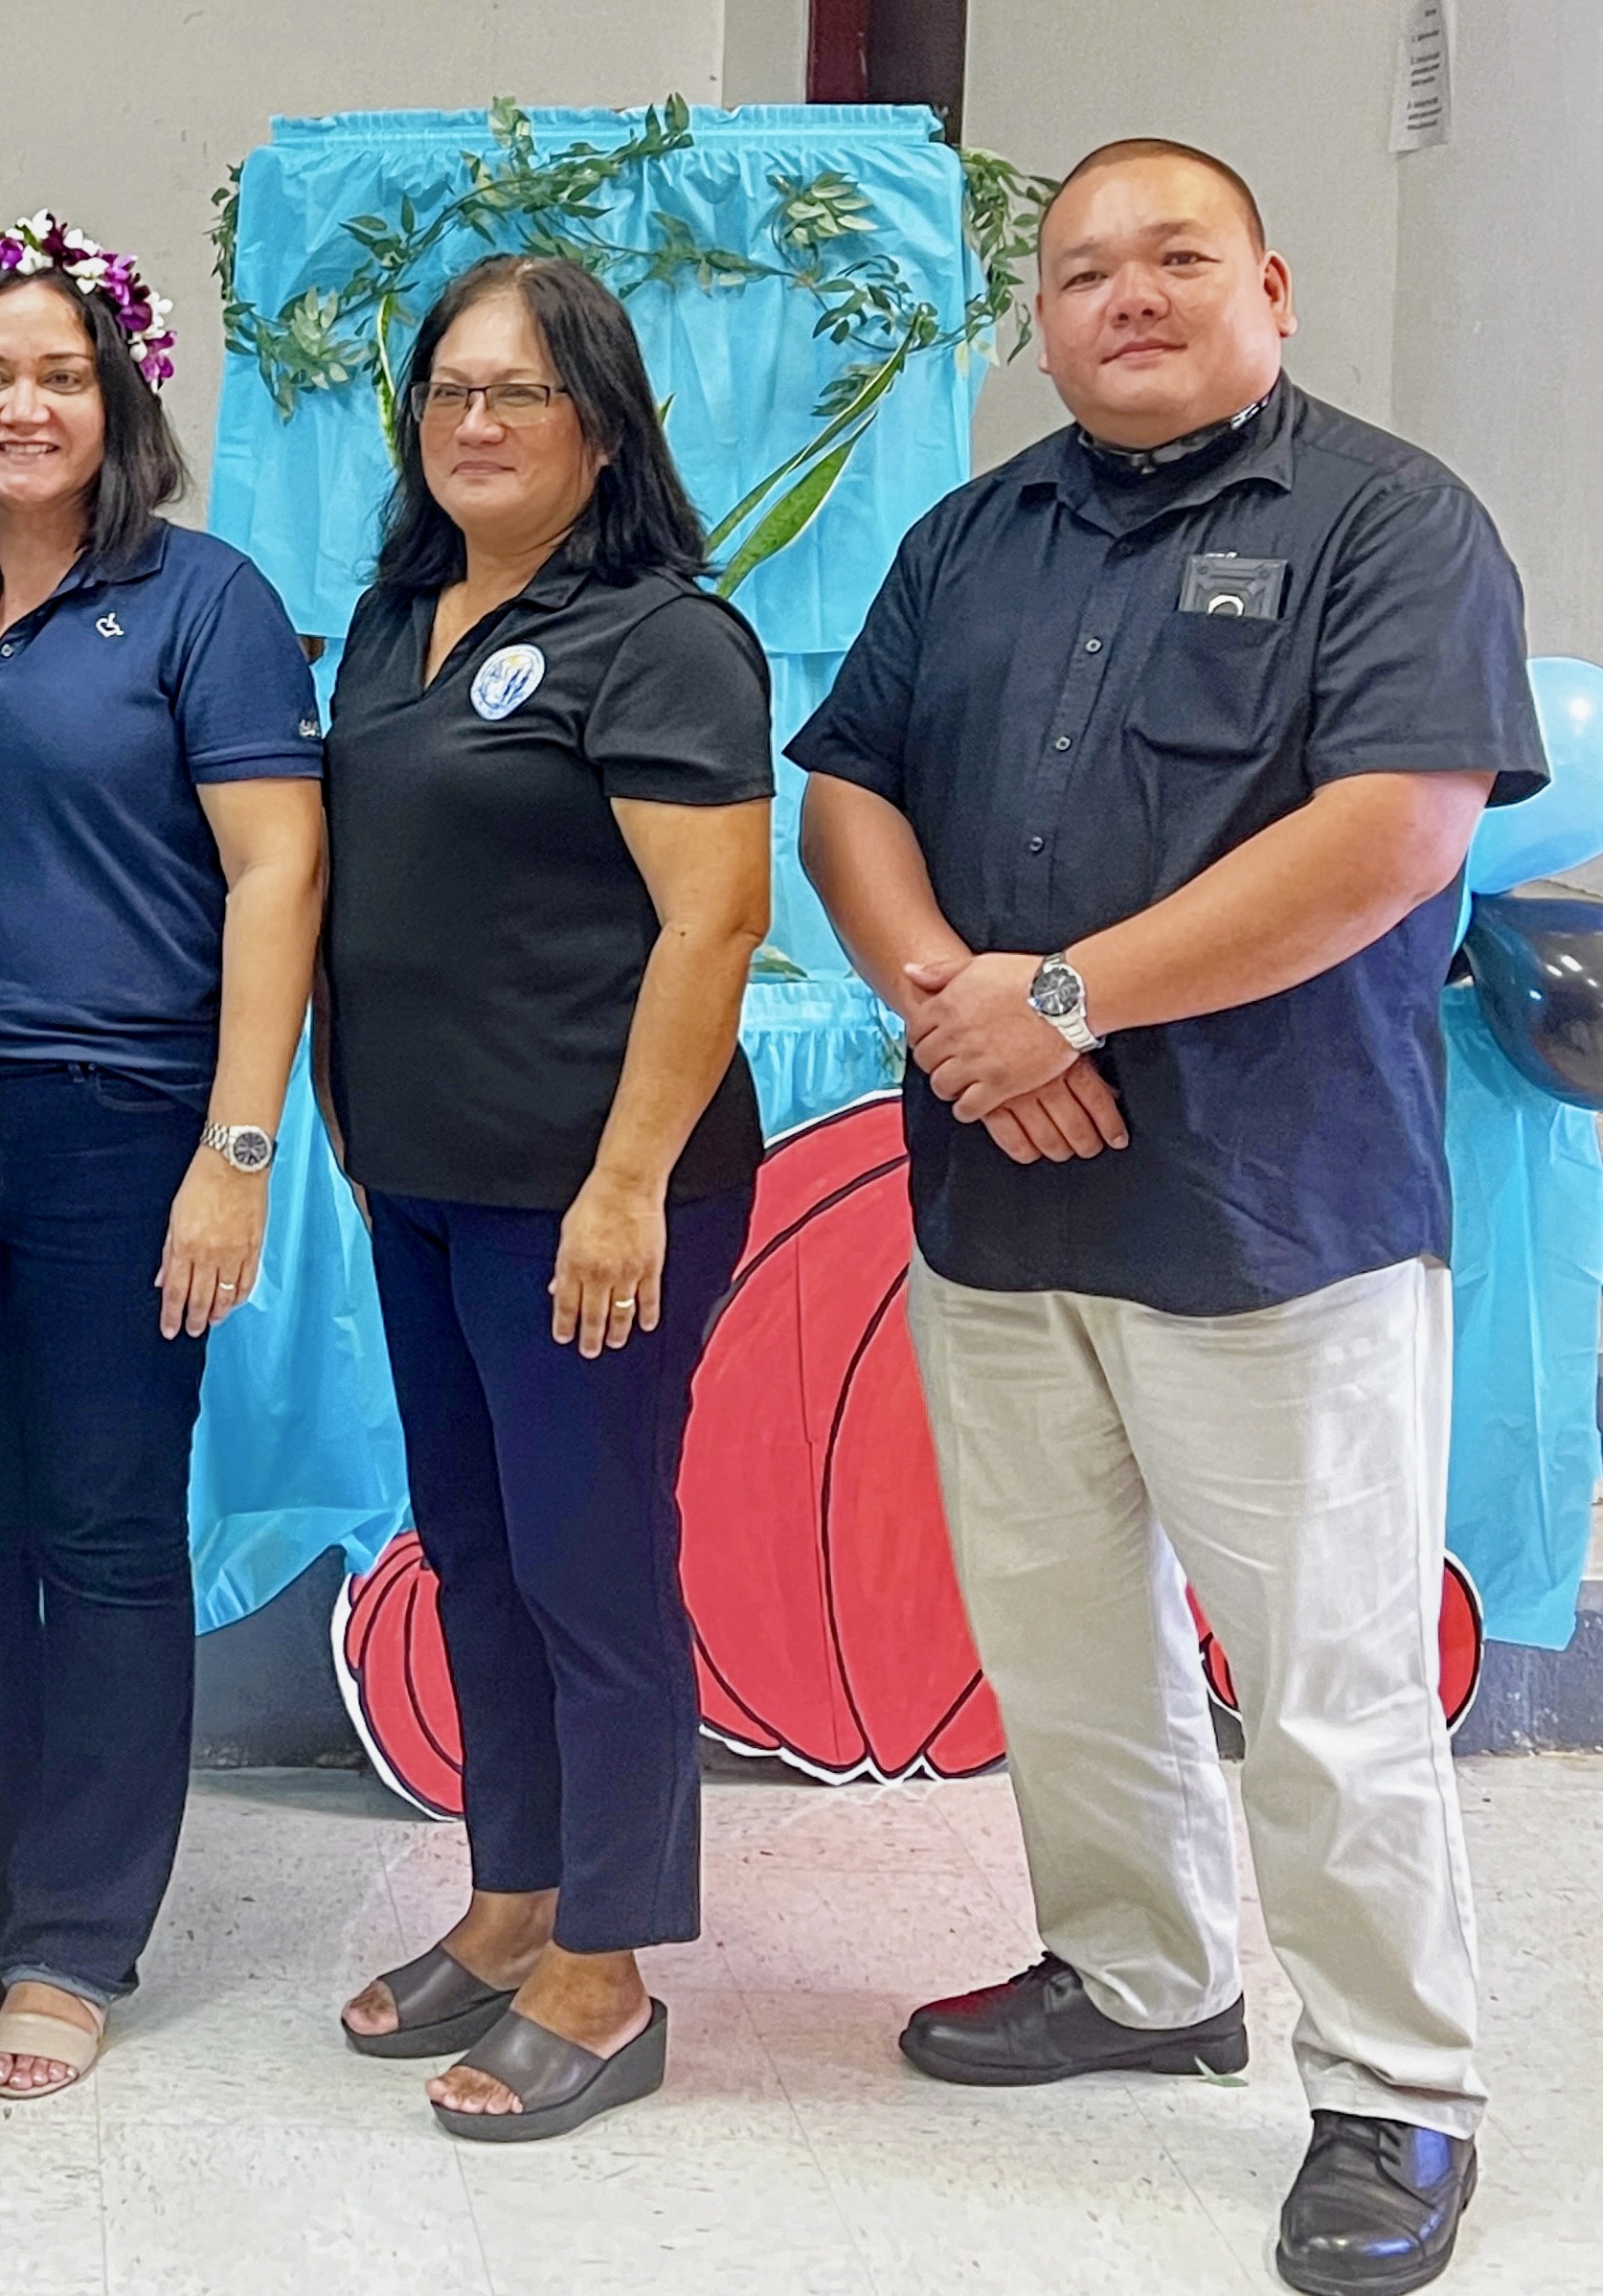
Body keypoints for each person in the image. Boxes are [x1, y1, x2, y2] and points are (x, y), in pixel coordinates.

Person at [792, 140, 1536, 2296]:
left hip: (1267, 1213)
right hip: (993, 1208)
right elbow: (844, 785)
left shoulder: (1387, 523)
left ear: (1270, 285)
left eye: (1171, 257)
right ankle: (1137, 1973)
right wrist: (950, 1002)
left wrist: (1059, 1000)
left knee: (1324, 1679)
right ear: (1036, 313)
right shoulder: (968, 534)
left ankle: (1397, 2084)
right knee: (1061, 1639)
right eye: (1079, 269)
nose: (1122, 294)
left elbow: (1391, 833)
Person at [0, 216, 326, 2101]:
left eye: (59, 371)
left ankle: (74, 1932)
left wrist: (236, 1147)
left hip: (124, 1122)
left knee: (108, 1531)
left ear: (117, 389)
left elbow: (277, 870)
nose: (23, 403)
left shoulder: (200, 597)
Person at [320, 256, 771, 2141]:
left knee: (588, 1565)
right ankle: (509, 1896)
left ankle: (605, 1957)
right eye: (445, 392)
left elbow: (713, 917)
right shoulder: (396, 612)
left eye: (515, 391)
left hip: (588, 1197)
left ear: (601, 421)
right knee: (479, 1552)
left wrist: (621, 1182)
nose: (474, 423)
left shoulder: (660, 635)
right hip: (421, 1179)